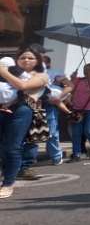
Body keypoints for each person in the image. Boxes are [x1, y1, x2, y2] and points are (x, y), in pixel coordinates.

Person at [0, 45, 49, 198]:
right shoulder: (10, 71)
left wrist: (2, 70)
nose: (26, 60)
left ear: (37, 60)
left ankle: (8, 184)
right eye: (22, 57)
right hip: (2, 110)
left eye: (30, 58)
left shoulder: (41, 75)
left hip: (21, 112)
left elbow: (22, 86)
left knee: (12, 147)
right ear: (17, 59)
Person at [60, 63, 90, 162]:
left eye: (89, 69)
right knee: (76, 133)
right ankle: (76, 154)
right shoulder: (79, 80)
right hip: (77, 109)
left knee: (89, 131)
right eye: (85, 69)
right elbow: (71, 90)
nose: (86, 71)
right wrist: (71, 79)